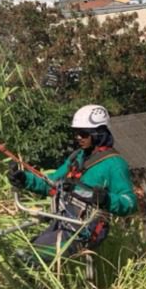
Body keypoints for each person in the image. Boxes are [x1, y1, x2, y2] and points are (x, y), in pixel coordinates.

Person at [8, 104, 136, 260]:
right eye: (76, 133)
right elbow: (52, 185)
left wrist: (106, 199)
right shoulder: (77, 157)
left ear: (98, 133)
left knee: (34, 258)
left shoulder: (114, 164)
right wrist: (24, 179)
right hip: (63, 222)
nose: (78, 138)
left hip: (87, 229)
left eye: (83, 134)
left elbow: (130, 203)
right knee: (22, 255)